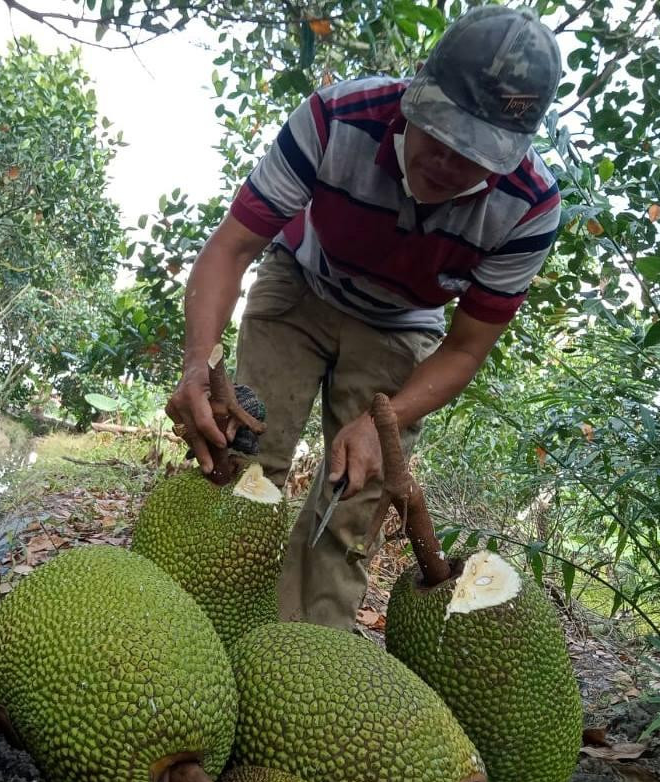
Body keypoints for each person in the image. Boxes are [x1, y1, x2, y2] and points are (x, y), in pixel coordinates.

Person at [165, 6, 564, 631]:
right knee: (243, 457)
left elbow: (464, 350)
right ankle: (195, 632)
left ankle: (304, 657)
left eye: (476, 154)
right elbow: (231, 248)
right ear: (414, 96)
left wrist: (390, 419)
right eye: (443, 134)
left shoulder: (529, 208)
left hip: (404, 324)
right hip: (301, 284)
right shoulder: (336, 119)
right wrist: (197, 362)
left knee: (353, 502)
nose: (450, 163)